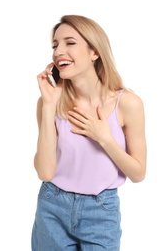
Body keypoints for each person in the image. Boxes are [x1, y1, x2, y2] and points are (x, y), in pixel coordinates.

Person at [31, 14, 147, 251]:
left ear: (94, 52)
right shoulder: (49, 103)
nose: (58, 51)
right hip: (52, 206)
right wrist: (50, 106)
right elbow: (45, 171)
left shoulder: (128, 104)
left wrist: (105, 138)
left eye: (69, 43)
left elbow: (138, 173)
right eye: (55, 45)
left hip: (101, 211)